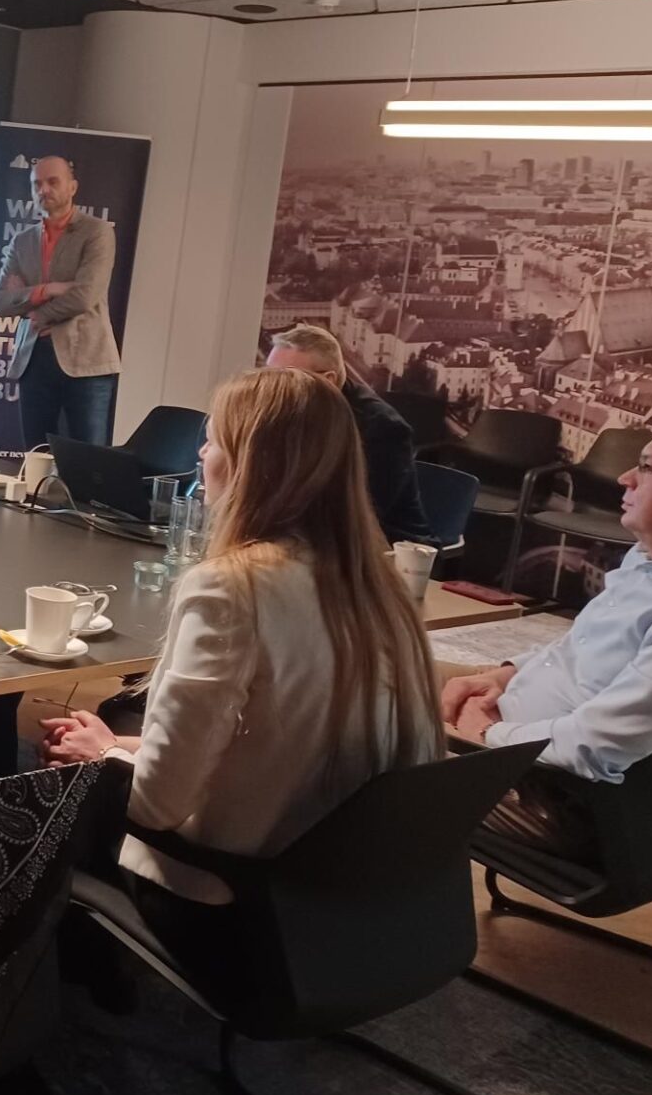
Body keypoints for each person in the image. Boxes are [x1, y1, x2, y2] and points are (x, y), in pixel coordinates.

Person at [41, 368, 442, 931]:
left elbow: (156, 805)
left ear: (248, 465)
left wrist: (103, 757)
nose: (201, 454)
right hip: (344, 905)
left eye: (213, 441)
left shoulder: (231, 589)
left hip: (229, 899)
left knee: (45, 809)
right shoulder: (382, 589)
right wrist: (118, 744)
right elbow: (279, 744)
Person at [443, 413, 652, 862]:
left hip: (551, 798)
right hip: (516, 736)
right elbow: (580, 648)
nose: (625, 478)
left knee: (361, 745)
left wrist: (485, 733)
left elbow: (592, 748)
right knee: (379, 674)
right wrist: (505, 675)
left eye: (646, 467)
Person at [0, 155, 121, 448]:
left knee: (87, 459)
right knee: (37, 455)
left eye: (52, 182)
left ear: (72, 187)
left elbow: (84, 296)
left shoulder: (97, 232)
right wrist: (47, 290)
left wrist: (37, 312)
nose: (44, 190)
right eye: (36, 184)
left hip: (86, 362)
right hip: (34, 356)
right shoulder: (22, 241)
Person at [265, 322, 432, 545]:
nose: (271, 388)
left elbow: (357, 511)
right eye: (268, 375)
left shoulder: (383, 428)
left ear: (328, 380)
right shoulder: (289, 409)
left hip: (383, 546)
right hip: (310, 535)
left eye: (286, 379)